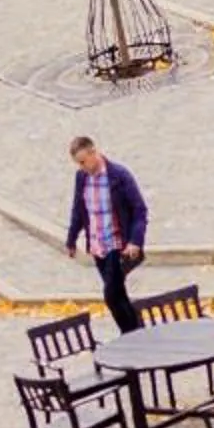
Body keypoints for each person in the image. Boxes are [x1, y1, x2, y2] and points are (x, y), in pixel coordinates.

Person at [63, 136, 150, 333]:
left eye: (83, 161)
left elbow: (139, 210)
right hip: (97, 246)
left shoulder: (119, 175)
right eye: (78, 163)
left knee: (111, 294)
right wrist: (71, 239)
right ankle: (138, 333)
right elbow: (78, 210)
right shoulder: (81, 178)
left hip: (117, 246)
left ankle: (129, 334)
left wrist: (135, 241)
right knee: (118, 295)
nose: (81, 166)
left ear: (94, 152)